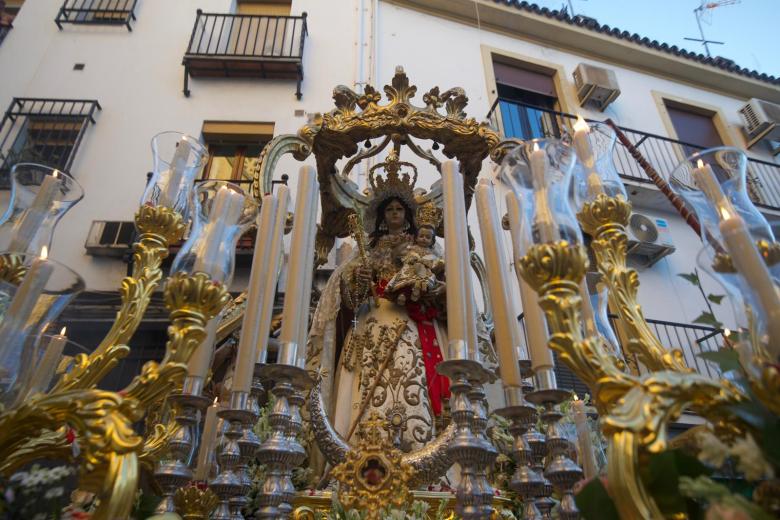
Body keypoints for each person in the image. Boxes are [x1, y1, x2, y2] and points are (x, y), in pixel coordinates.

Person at [306, 153, 449, 452]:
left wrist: (425, 286)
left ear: (407, 214)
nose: (395, 214)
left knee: (417, 381)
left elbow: (442, 283)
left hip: (413, 327)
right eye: (390, 209)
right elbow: (346, 299)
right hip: (369, 329)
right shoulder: (367, 252)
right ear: (382, 215)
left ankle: (424, 451)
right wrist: (359, 278)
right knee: (365, 387)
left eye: (400, 209)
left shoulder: (422, 247)